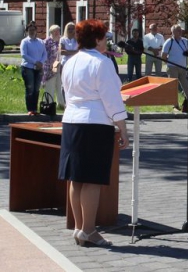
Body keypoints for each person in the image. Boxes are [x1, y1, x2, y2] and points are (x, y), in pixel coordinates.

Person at [58, 19, 129, 247]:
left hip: (72, 121)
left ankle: (80, 227)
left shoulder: (70, 61)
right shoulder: (102, 62)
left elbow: (66, 94)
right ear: (97, 39)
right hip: (95, 123)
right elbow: (112, 98)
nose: (106, 41)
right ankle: (89, 230)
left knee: (76, 178)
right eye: (105, 37)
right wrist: (123, 129)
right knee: (92, 180)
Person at [161, 24, 188, 112]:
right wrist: (169, 63)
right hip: (172, 67)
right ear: (173, 32)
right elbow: (163, 56)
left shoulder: (185, 41)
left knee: (186, 86)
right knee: (173, 87)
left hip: (183, 67)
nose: (180, 32)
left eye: (180, 30)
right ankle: (175, 105)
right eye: (178, 30)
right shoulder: (169, 42)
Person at [20, 21, 47, 116]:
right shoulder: (25, 42)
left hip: (39, 68)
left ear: (36, 31)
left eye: (33, 30)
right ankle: (30, 109)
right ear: (27, 31)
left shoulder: (40, 42)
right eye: (30, 30)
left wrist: (41, 63)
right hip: (28, 67)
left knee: (36, 89)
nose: (32, 32)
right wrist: (35, 62)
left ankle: (35, 109)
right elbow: (24, 55)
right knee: (30, 89)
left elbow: (45, 54)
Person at [42, 25, 62, 107]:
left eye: (58, 31)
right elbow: (44, 54)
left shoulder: (62, 40)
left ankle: (61, 104)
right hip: (50, 66)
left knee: (60, 85)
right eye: (55, 31)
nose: (57, 32)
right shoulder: (46, 41)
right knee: (50, 84)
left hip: (60, 66)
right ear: (51, 32)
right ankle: (49, 103)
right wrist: (49, 64)